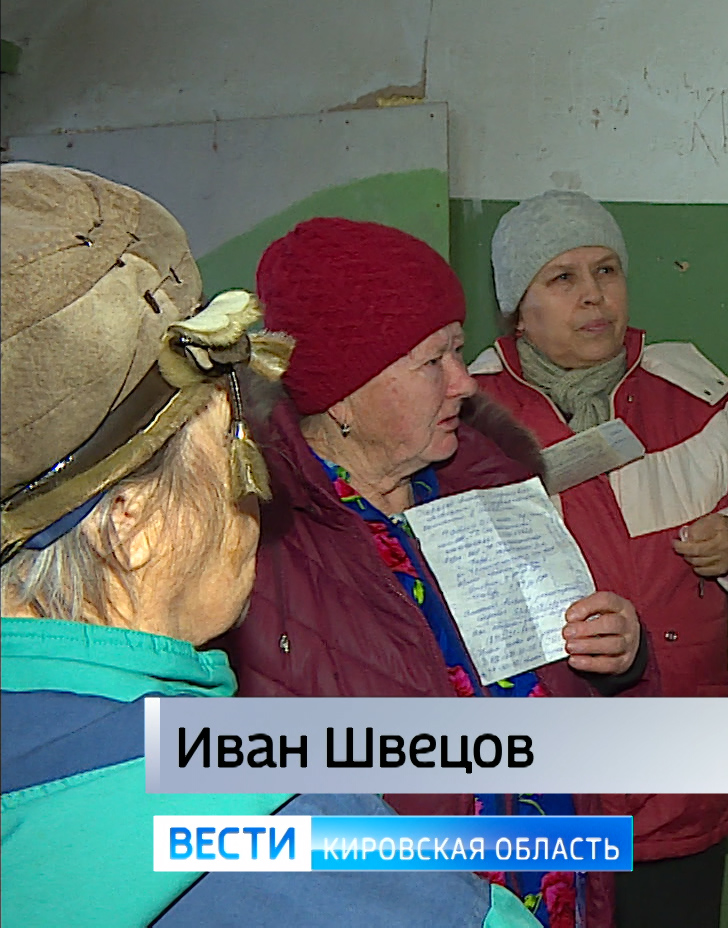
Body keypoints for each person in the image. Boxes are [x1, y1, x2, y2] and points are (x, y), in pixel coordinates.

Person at [0, 163, 541, 927]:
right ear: (130, 522)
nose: (252, 490)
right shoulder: (281, 836)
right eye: (231, 445)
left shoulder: (486, 489)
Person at [215, 216, 647, 927]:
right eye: (433, 361)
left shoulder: (487, 485)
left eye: (458, 350)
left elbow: (569, 694)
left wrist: (619, 656)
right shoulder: (256, 550)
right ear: (344, 392)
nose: (463, 383)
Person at [470, 190, 728, 928]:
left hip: (678, 763)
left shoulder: (688, 395)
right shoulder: (469, 414)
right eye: (562, 278)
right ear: (517, 310)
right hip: (542, 772)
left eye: (606, 270)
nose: (593, 295)